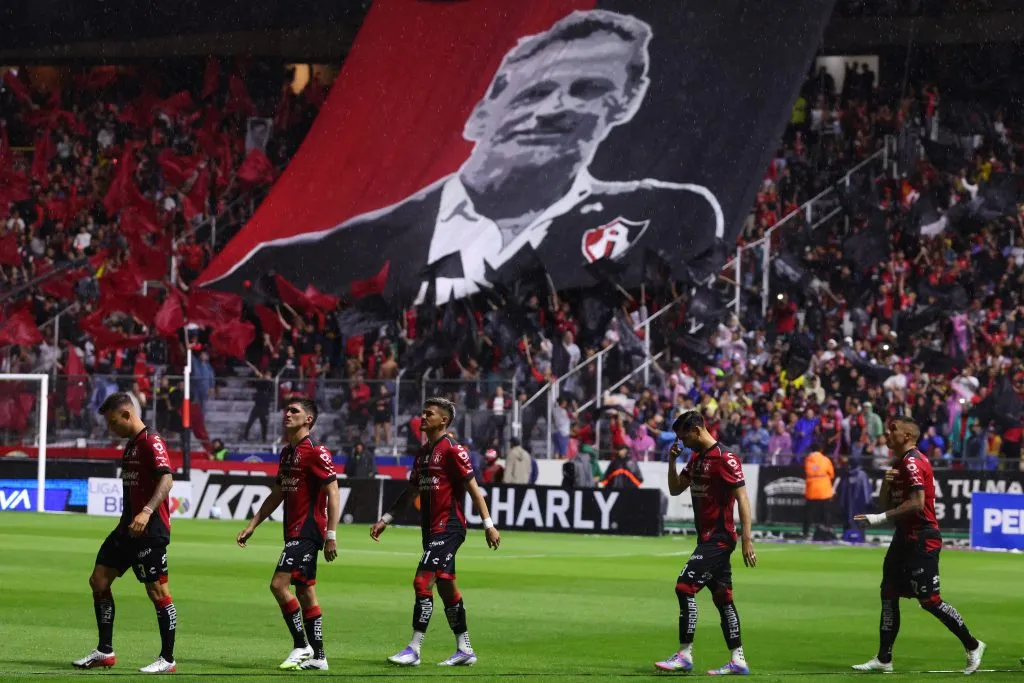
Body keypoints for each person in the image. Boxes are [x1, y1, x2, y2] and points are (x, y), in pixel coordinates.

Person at [209, 9, 724, 305]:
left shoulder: (667, 215)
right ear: (482, 111)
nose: (556, 109)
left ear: (625, 105)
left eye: (588, 90)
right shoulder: (318, 256)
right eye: (534, 93)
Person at [370, 397, 501, 667]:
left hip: (450, 528)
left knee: (422, 582)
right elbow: (411, 492)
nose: (423, 416)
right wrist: (386, 519)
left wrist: (488, 525)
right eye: (423, 412)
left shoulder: (453, 450)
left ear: (444, 420)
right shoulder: (423, 453)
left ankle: (414, 649)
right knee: (446, 586)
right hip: (431, 530)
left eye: (429, 413)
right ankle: (465, 650)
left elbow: (475, 491)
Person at [852, 416, 985, 675]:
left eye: (893, 430)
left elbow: (916, 503)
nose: (887, 434)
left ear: (908, 436)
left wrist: (879, 519)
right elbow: (885, 503)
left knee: (930, 600)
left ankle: (973, 645)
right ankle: (884, 658)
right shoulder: (900, 463)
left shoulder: (913, 462)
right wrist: (885, 484)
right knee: (888, 594)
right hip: (903, 537)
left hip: (922, 538)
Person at [72, 393, 177, 674]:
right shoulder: (131, 445)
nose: (110, 428)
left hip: (150, 530)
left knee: (157, 592)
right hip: (126, 529)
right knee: (98, 580)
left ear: (128, 415)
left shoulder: (151, 441)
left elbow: (167, 478)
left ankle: (168, 659)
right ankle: (105, 651)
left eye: (112, 421)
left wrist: (146, 511)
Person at [236, 398, 342, 671]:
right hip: (293, 531)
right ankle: (319, 657)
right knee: (305, 591)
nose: (287, 413)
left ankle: (301, 645)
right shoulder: (287, 453)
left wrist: (331, 534)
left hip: (307, 531)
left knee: (278, 585)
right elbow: (278, 493)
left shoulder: (317, 451)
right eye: (287, 409)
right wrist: (253, 524)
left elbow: (333, 491)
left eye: (295, 411)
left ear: (308, 419)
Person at [655, 410, 756, 676]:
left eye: (683, 436)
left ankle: (684, 654)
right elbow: (676, 488)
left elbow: (743, 499)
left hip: (720, 539)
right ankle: (738, 660)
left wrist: (747, 539)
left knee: (684, 587)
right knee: (724, 598)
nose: (681, 442)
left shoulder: (725, 458)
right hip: (706, 538)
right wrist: (672, 462)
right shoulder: (696, 458)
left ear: (697, 430)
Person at [803, 448, 834, 537]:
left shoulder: (807, 460)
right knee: (826, 513)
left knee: (809, 514)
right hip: (824, 490)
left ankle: (806, 532)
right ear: (820, 450)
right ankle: (828, 532)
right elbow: (831, 474)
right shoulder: (825, 459)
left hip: (811, 491)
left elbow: (806, 472)